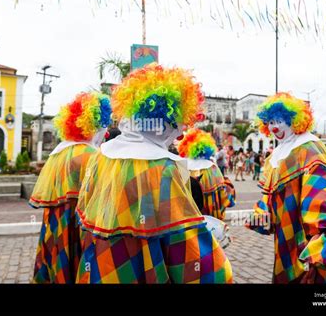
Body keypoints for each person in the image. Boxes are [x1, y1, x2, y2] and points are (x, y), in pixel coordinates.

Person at [76, 64, 232, 284]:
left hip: (102, 268)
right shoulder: (164, 168)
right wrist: (215, 261)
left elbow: (83, 214)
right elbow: (181, 241)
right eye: (177, 124)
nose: (179, 134)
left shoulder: (101, 156)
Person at [246, 92, 326, 284]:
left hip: (305, 234)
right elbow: (271, 193)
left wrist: (324, 236)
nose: (274, 127)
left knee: (306, 277)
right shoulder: (279, 153)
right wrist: (263, 212)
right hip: (284, 234)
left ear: (295, 120)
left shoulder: (308, 148)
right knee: (285, 270)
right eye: (270, 121)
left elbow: (321, 192)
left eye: (279, 120)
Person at [30, 92, 111, 284]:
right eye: (103, 126)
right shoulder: (92, 155)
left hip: (56, 220)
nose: (104, 132)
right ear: (94, 125)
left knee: (57, 264)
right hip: (79, 222)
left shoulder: (59, 152)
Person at [177, 128, 236, 221]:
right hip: (210, 216)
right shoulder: (212, 167)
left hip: (188, 217)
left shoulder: (183, 166)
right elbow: (222, 193)